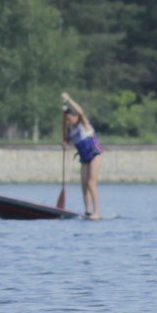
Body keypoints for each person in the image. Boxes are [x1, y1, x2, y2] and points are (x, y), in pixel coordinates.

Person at [59, 91, 102, 219]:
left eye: (70, 118)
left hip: (95, 155)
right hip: (84, 158)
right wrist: (64, 143)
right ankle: (87, 211)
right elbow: (66, 141)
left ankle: (96, 213)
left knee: (90, 183)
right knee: (83, 184)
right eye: (67, 119)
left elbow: (80, 111)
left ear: (75, 117)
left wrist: (69, 99)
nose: (69, 121)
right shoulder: (69, 130)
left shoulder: (83, 123)